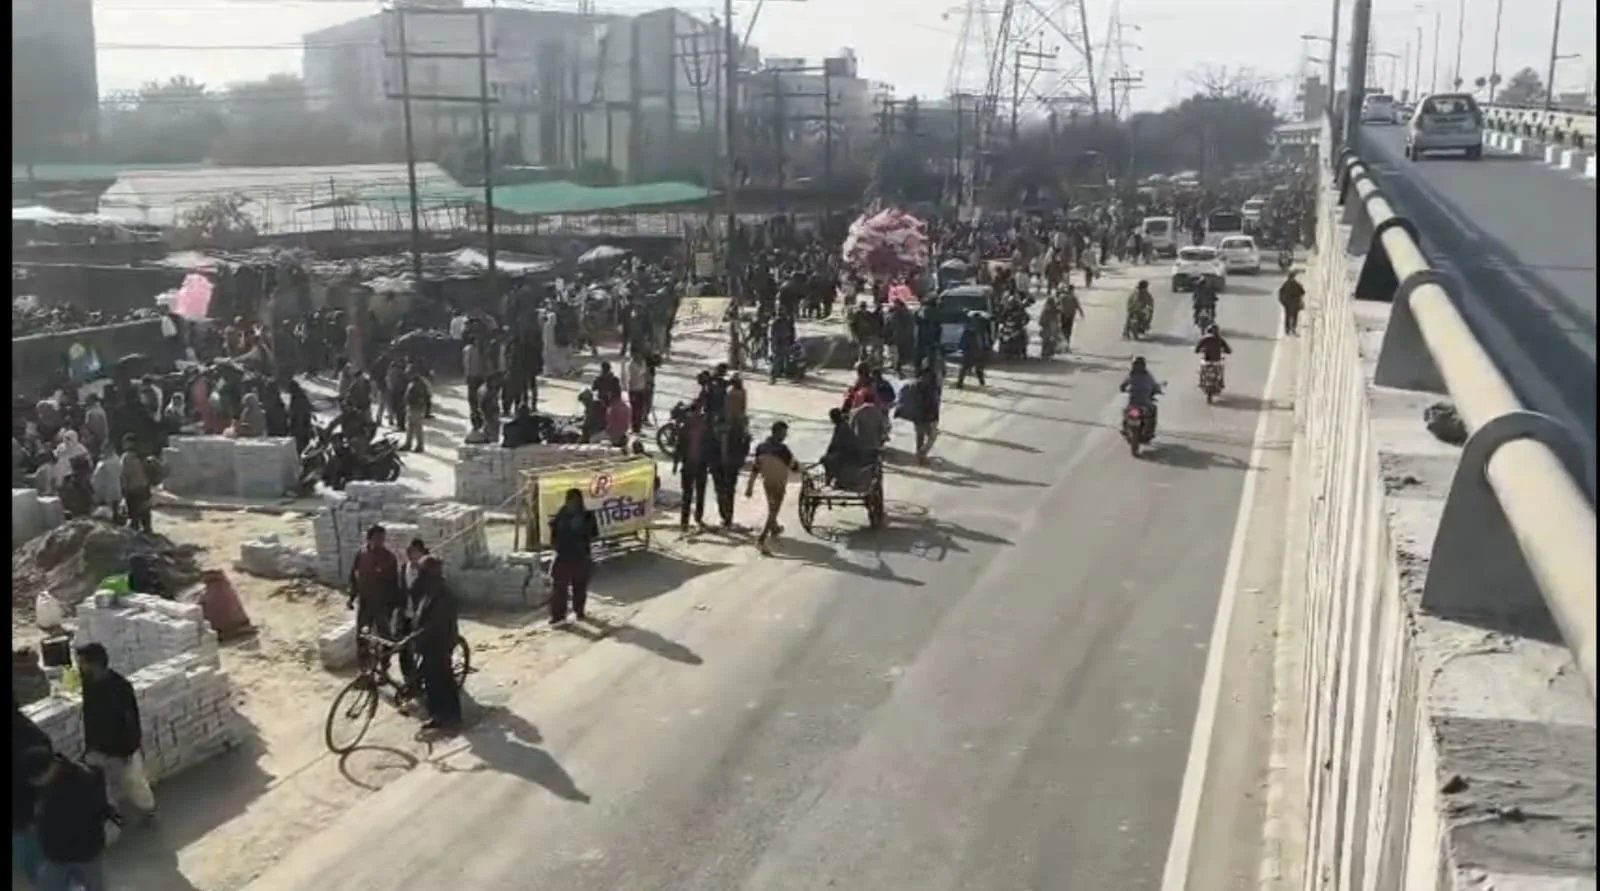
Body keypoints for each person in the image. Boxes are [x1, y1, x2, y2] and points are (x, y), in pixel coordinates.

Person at [75, 643, 155, 825]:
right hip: (98, 747)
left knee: (133, 782)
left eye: (82, 662)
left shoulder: (120, 687)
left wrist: (129, 749)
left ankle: (147, 811)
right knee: (104, 785)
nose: (80, 666)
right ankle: (114, 815)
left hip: (122, 748)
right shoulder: (89, 682)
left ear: (95, 663)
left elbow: (130, 720)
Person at [20, 746, 114, 891]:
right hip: (56, 854)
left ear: (48, 770)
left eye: (36, 780)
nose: (35, 784)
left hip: (84, 852)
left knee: (94, 885)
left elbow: (95, 813)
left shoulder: (82, 782)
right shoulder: (51, 780)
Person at [405, 540, 461, 731]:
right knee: (438, 680)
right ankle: (446, 714)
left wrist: (418, 634)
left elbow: (436, 624)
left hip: (439, 643)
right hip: (429, 643)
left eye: (423, 573)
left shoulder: (443, 594)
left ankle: (445, 715)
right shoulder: (430, 590)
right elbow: (414, 593)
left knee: (438, 680)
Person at [347, 525, 401, 666]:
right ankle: (364, 666)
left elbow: (394, 583)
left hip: (382, 605)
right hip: (365, 603)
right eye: (377, 538)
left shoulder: (389, 558)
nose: (381, 541)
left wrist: (394, 606)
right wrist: (352, 597)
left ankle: (384, 665)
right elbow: (354, 576)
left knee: (385, 638)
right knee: (362, 635)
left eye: (382, 538)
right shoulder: (361, 554)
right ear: (369, 539)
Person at [745, 421, 801, 554]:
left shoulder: (760, 447)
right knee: (774, 510)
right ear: (777, 432)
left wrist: (750, 486)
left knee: (772, 507)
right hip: (779, 483)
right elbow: (793, 467)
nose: (785, 436)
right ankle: (761, 539)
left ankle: (774, 527)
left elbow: (755, 468)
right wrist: (800, 469)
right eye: (784, 433)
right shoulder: (783, 450)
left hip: (767, 482)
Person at [14, 698, 53, 887]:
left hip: (27, 811)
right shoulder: (30, 732)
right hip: (28, 810)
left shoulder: (28, 736)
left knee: (37, 858)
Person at [547, 488, 599, 625]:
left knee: (578, 587)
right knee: (560, 588)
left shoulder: (586, 516)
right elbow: (554, 534)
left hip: (579, 555)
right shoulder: (562, 514)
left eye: (575, 501)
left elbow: (594, 533)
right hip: (564, 555)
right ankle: (559, 615)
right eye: (571, 501)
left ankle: (577, 612)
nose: (573, 504)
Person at [673, 402, 711, 531]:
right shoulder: (686, 428)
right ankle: (685, 521)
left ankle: (697, 518)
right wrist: (675, 463)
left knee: (698, 494)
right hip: (689, 465)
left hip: (700, 465)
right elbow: (678, 446)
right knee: (688, 495)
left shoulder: (705, 427)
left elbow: (711, 445)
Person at [897, 364, 943, 465]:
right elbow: (934, 404)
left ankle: (920, 457)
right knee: (932, 436)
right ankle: (922, 454)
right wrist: (934, 418)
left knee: (920, 436)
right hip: (926, 416)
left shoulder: (915, 384)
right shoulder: (932, 388)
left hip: (916, 415)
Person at [1119, 357, 1164, 438]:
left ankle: (1125, 428)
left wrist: (1123, 388)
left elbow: (1123, 384)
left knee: (1126, 411)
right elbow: (1155, 385)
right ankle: (1150, 431)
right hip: (1144, 402)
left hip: (1133, 401)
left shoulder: (1132, 374)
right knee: (1153, 410)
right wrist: (1158, 390)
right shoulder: (1147, 375)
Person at [119, 436, 153, 534]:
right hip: (145, 489)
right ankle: (149, 535)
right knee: (145, 516)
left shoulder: (126, 457)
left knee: (134, 519)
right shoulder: (143, 455)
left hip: (133, 491)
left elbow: (123, 474)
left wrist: (123, 490)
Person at [955, 312, 991, 389]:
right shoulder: (980, 328)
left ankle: (960, 383)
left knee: (966, 368)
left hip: (971, 350)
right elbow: (985, 340)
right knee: (977, 367)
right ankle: (980, 382)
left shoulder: (969, 328)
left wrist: (961, 348)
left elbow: (963, 340)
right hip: (975, 350)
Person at [1195, 324, 1234, 388]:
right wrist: (1224, 350)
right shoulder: (1220, 339)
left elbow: (1196, 350)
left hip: (1207, 359)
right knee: (1221, 368)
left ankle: (1201, 381)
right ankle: (1221, 382)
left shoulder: (1204, 338)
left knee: (1202, 366)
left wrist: (1201, 350)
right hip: (1217, 360)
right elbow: (1229, 350)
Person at [402, 368, 430, 453]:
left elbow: (422, 397)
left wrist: (418, 405)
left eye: (409, 374)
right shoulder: (414, 382)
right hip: (412, 407)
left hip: (416, 408)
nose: (407, 376)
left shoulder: (419, 384)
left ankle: (419, 446)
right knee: (410, 426)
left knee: (417, 427)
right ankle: (408, 444)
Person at [1057, 283, 1086, 350]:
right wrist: (1081, 313)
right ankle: (1066, 345)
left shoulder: (1062, 296)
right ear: (1072, 290)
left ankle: (1063, 345)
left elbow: (1057, 305)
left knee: (1063, 330)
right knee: (1068, 331)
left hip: (1063, 315)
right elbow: (1078, 306)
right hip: (1069, 316)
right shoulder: (1073, 297)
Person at [1278, 270, 1306, 335]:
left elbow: (1280, 292)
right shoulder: (1296, 284)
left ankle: (1287, 329)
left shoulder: (1286, 284)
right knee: (1294, 316)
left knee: (1287, 316)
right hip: (1295, 303)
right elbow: (1303, 292)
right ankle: (1293, 328)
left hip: (1287, 303)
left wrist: (1282, 301)